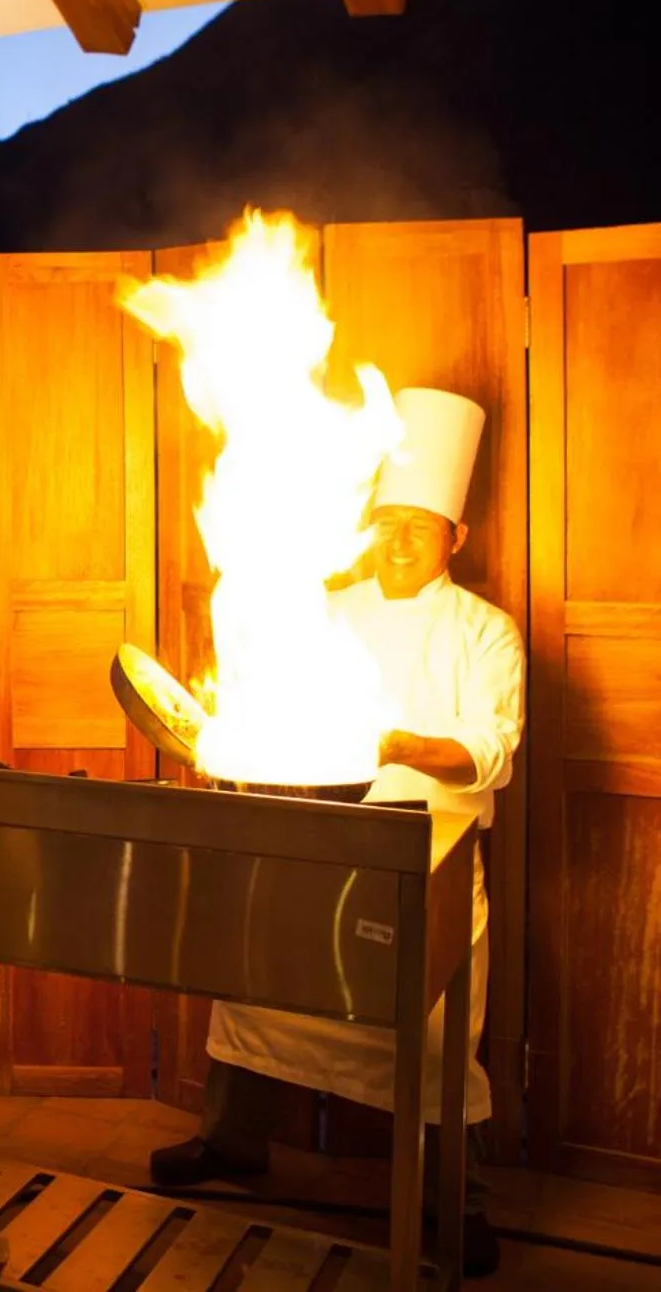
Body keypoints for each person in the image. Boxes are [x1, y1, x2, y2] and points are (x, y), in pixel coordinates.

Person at [150, 388, 522, 1279]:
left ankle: (455, 1203)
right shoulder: (332, 609)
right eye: (386, 522)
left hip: (428, 860)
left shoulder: (485, 633)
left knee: (435, 1037)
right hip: (318, 846)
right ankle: (233, 1142)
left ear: (453, 538)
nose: (396, 542)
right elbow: (272, 699)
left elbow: (491, 752)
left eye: (418, 527)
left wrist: (390, 742)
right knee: (256, 997)